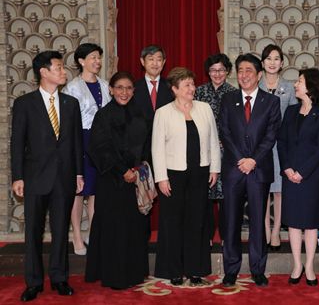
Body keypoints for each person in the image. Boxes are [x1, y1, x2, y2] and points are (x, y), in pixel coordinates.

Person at [11, 51, 84, 301]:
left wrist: (78, 173)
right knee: (33, 231)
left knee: (61, 230)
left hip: (64, 177)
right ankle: (33, 282)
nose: (64, 72)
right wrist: (18, 176)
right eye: (59, 67)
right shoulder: (24, 104)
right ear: (43, 72)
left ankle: (59, 278)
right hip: (34, 178)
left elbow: (76, 143)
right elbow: (17, 143)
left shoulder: (70, 104)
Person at [152, 67, 221, 286]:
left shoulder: (204, 108)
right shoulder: (163, 112)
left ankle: (195, 270)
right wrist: (161, 177)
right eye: (187, 85)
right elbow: (157, 148)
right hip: (173, 175)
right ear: (174, 89)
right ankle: (174, 270)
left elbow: (213, 140)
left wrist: (214, 168)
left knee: (197, 222)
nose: (192, 88)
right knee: (173, 223)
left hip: (200, 173)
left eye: (192, 84)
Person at [220, 53, 281, 287]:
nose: (243, 75)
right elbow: (225, 132)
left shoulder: (271, 101)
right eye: (240, 71)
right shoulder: (228, 99)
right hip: (234, 169)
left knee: (257, 221)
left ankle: (258, 269)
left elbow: (271, 135)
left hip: (259, 169)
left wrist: (253, 160)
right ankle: (231, 269)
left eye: (248, 71)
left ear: (259, 75)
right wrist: (241, 159)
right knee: (231, 221)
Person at [85, 71, 149, 290]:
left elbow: (146, 147)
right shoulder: (103, 115)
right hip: (111, 182)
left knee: (134, 228)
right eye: (119, 87)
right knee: (113, 228)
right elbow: (99, 148)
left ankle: (134, 273)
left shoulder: (139, 114)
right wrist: (122, 171)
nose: (124, 92)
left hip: (135, 183)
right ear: (111, 90)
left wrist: (138, 170)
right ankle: (112, 275)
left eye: (129, 88)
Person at [278, 68, 319, 286]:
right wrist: (288, 169)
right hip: (290, 174)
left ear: (311, 86)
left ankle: (309, 265)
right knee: (292, 222)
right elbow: (281, 142)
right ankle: (296, 264)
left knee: (310, 223)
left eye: (299, 81)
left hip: (310, 177)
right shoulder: (290, 112)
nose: (295, 85)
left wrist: (302, 172)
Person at [62, 43, 111, 256]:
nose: (97, 61)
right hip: (80, 139)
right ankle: (77, 236)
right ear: (81, 61)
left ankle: (94, 232)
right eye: (92, 57)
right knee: (78, 191)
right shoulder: (72, 87)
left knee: (96, 191)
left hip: (100, 142)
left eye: (99, 57)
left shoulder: (105, 84)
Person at [194, 53, 237, 246]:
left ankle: (227, 236)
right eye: (213, 70)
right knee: (205, 197)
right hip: (204, 151)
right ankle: (207, 236)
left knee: (227, 197)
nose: (217, 74)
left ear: (227, 71)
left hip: (228, 152)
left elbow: (239, 124)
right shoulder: (199, 92)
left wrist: (225, 141)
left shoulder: (235, 93)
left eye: (221, 70)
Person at [259, 44, 297, 251]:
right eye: (269, 58)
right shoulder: (256, 85)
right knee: (262, 189)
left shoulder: (289, 87)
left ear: (282, 63)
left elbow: (292, 119)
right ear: (263, 62)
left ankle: (276, 232)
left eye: (276, 58)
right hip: (261, 145)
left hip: (282, 145)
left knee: (280, 191)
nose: (272, 62)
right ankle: (264, 230)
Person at [134, 45, 174, 231]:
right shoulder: (132, 88)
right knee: (141, 200)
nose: (155, 63)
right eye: (150, 59)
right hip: (139, 153)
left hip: (168, 153)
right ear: (142, 62)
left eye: (159, 59)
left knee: (168, 199)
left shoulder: (172, 87)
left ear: (164, 63)